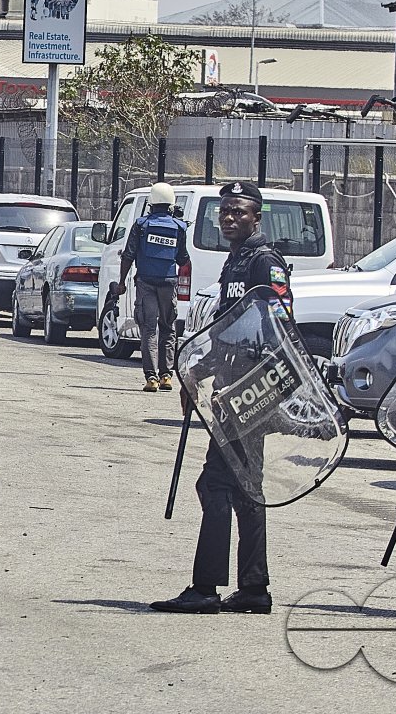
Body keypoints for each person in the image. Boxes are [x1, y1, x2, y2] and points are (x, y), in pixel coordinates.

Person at [151, 181, 292, 615]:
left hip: (250, 393)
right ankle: (253, 587)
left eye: (239, 212)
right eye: (225, 211)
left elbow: (278, 327)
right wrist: (197, 372)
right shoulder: (237, 261)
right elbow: (227, 331)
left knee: (214, 484)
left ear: (256, 217)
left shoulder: (264, 262)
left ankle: (206, 587)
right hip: (231, 387)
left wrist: (251, 386)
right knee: (247, 489)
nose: (229, 218)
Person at [116, 182, 189, 392]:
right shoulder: (179, 227)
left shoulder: (141, 225)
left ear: (151, 203)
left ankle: (151, 378)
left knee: (148, 329)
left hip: (145, 282)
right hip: (168, 283)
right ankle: (167, 376)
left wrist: (121, 282)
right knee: (168, 327)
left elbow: (128, 255)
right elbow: (183, 258)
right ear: (171, 204)